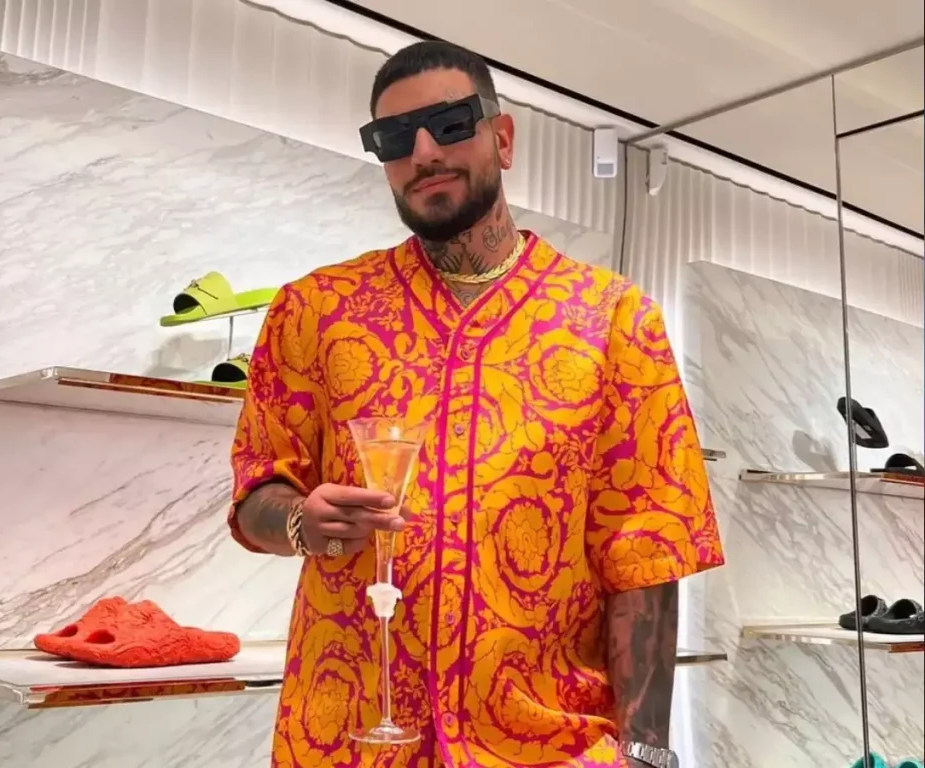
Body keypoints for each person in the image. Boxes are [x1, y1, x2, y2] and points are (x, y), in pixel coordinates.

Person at [230, 39, 724, 768]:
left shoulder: (613, 319)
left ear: (503, 138)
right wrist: (302, 521)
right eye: (395, 137)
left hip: (547, 744)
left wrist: (646, 753)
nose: (424, 151)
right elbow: (254, 493)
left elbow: (646, 555)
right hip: (348, 738)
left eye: (451, 123)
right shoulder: (316, 311)